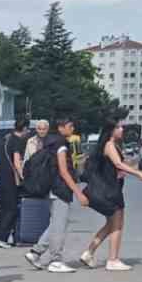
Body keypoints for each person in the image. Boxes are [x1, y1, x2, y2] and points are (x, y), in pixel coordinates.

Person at [77, 121, 142, 271]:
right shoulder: (110, 145)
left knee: (111, 224)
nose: (122, 129)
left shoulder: (113, 145)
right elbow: (118, 164)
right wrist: (138, 173)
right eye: (118, 127)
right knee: (117, 225)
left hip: (111, 188)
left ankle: (89, 252)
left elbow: (116, 165)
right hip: (111, 190)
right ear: (110, 130)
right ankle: (113, 259)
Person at [26, 117, 87, 273]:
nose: (72, 129)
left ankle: (35, 252)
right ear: (61, 127)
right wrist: (78, 192)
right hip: (60, 188)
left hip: (53, 187)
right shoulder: (60, 145)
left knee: (56, 223)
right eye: (69, 126)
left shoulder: (50, 142)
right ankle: (56, 260)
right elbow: (64, 171)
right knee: (59, 226)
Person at [0, 117, 30, 247]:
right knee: (11, 209)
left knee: (5, 208)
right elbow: (17, 161)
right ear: (24, 128)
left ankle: (2, 237)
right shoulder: (17, 141)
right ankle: (1, 237)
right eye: (27, 129)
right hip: (9, 179)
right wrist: (23, 176)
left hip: (1, 177)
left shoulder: (7, 138)